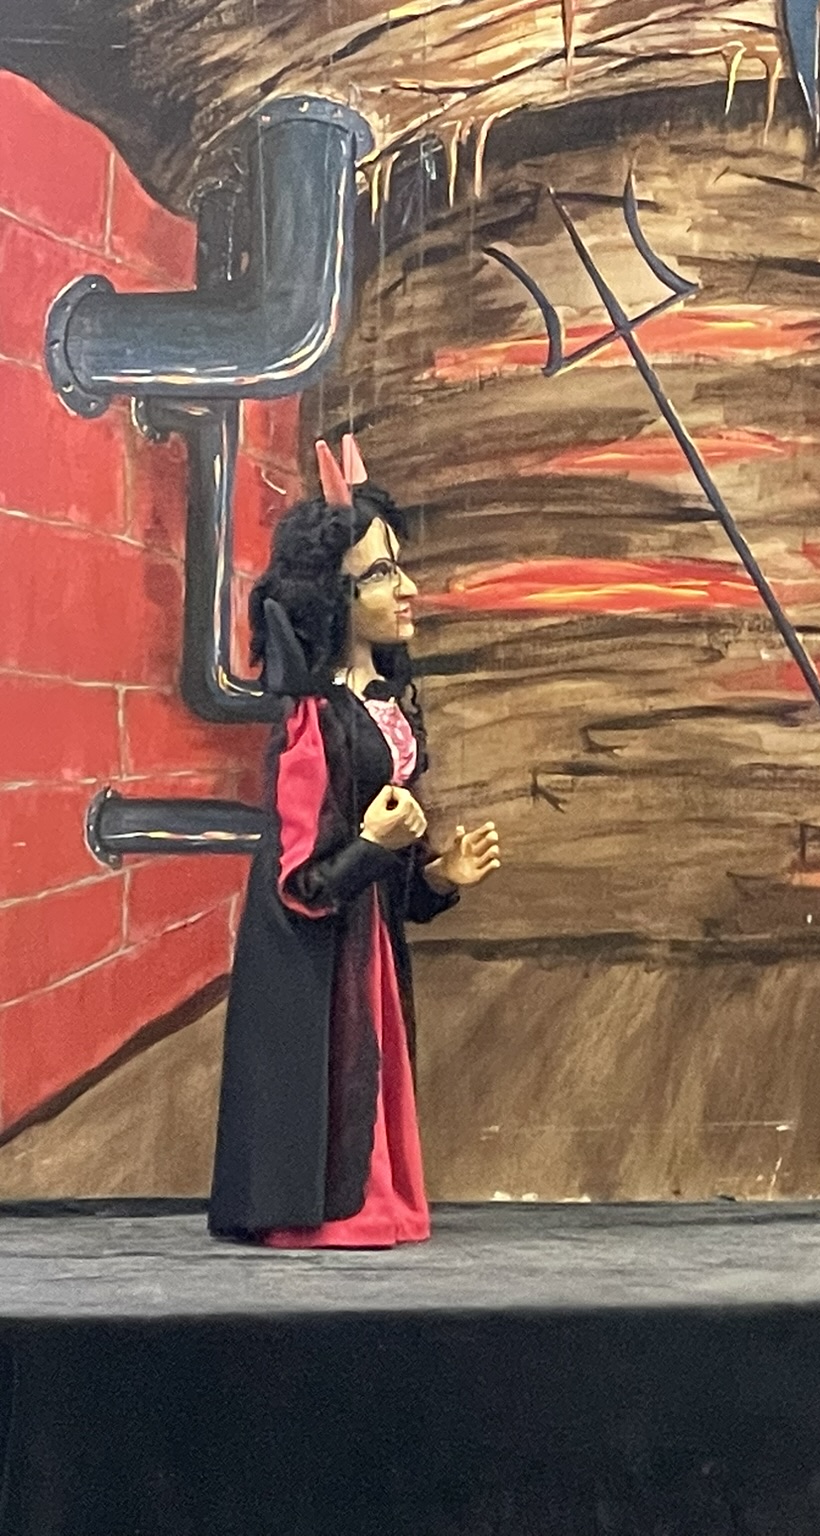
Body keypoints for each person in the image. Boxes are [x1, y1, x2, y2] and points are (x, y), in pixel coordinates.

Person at [208, 434, 501, 1246]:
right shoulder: (313, 721)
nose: (405, 589)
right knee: (332, 1069)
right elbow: (302, 882)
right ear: (331, 598)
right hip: (315, 955)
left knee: (371, 1062)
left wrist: (436, 876)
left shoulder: (388, 704)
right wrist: (372, 842)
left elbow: (389, 872)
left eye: (398, 568)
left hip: (367, 940)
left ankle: (379, 1198)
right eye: (379, 574)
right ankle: (325, 1209)